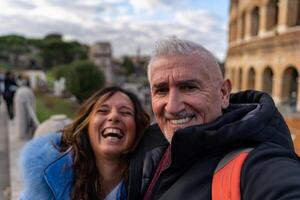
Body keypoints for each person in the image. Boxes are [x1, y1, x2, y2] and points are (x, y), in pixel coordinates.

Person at [127, 38, 300, 200]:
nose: (172, 107)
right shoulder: (149, 144)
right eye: (161, 90)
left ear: (223, 93)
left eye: (189, 87)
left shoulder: (256, 164)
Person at [20, 86, 150, 200]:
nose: (114, 116)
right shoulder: (46, 182)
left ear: (137, 128)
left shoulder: (153, 182)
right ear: (86, 126)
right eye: (103, 110)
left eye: (125, 112)